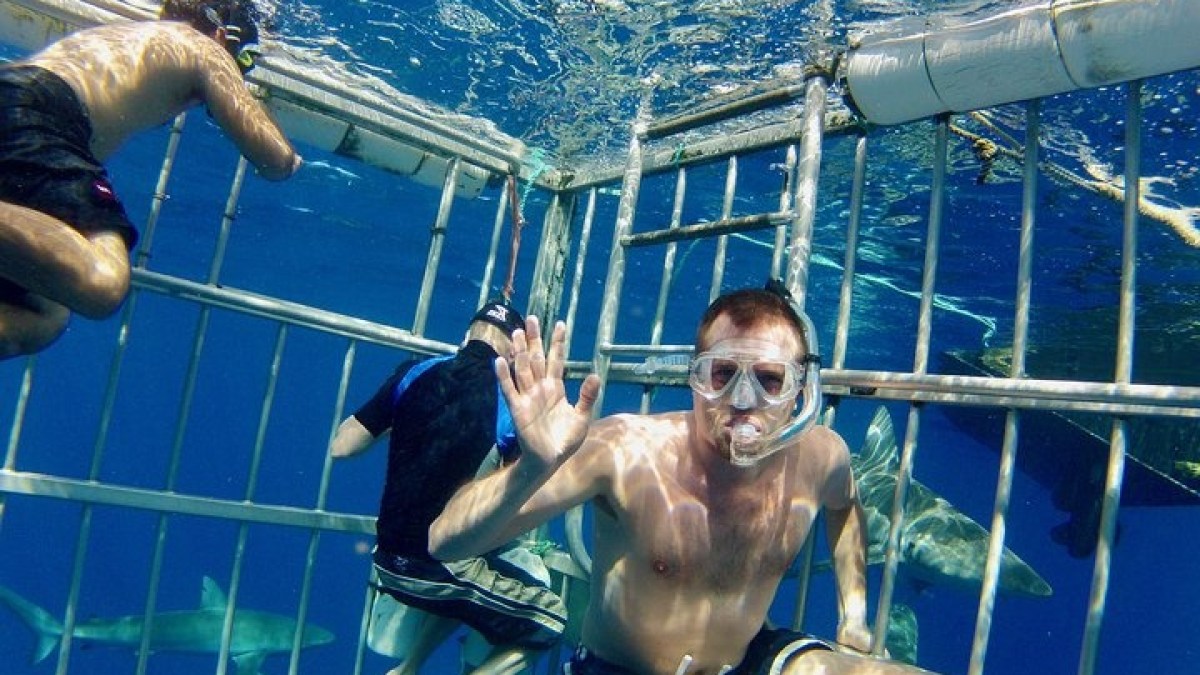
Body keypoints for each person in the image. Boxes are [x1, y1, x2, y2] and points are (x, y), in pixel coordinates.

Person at [430, 283, 938, 675]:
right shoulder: (624, 451)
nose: (743, 400)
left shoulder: (822, 455)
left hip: (749, 660)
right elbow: (445, 542)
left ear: (799, 392)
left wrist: (854, 616)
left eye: (769, 379)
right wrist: (530, 470)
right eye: (722, 374)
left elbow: (844, 507)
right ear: (694, 378)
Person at [0, 0, 301, 358]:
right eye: (246, 58)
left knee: (45, 315)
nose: (242, 69)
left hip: (23, 101)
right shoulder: (203, 47)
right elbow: (274, 159)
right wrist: (290, 160)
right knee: (102, 282)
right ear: (225, 34)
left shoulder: (127, 39)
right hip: (41, 110)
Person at [331, 299, 569, 675]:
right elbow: (520, 496)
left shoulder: (414, 372)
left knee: (473, 559)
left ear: (465, 337)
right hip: (438, 571)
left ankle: (407, 669)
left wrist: (400, 419)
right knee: (550, 621)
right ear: (515, 352)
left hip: (386, 563)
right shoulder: (514, 401)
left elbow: (342, 447)